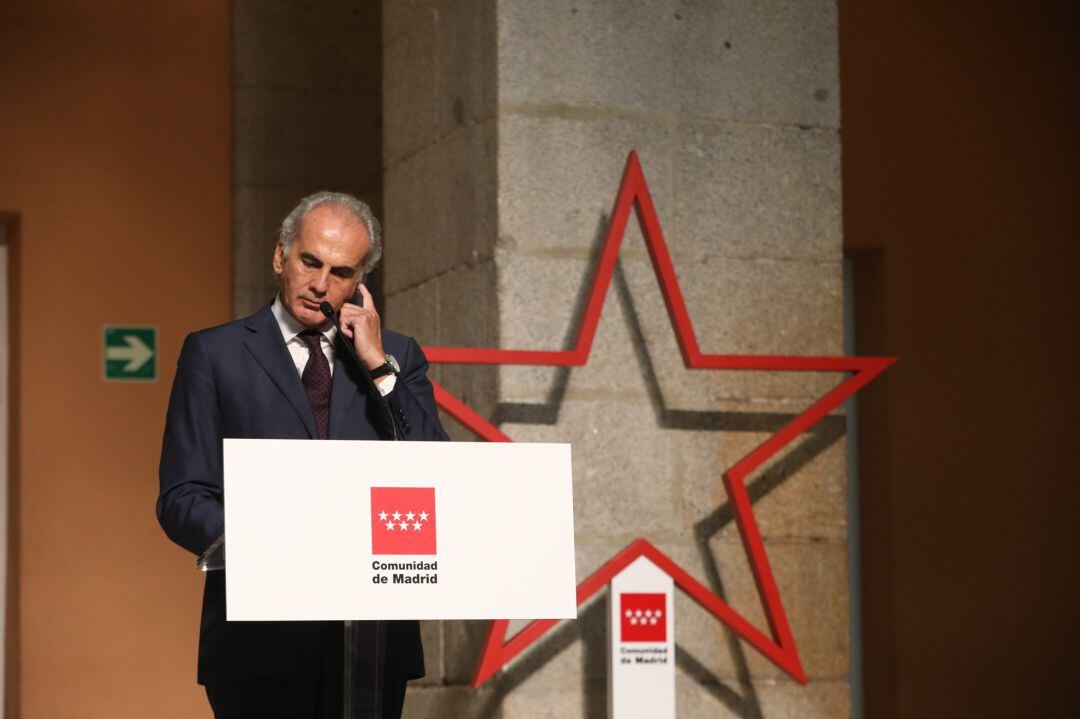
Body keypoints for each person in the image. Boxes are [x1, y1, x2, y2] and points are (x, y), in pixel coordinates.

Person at [157, 192, 450, 718]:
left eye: (341, 272)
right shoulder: (214, 353)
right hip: (256, 643)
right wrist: (269, 545)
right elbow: (183, 496)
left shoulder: (397, 356)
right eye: (310, 262)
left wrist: (379, 368)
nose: (320, 284)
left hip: (373, 641)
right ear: (280, 257)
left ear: (362, 282)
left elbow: (439, 476)